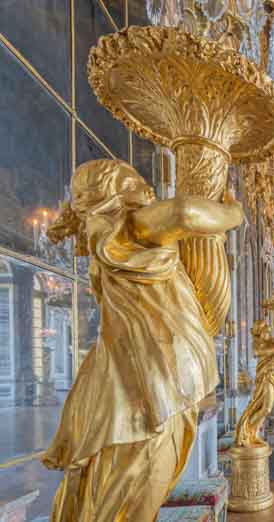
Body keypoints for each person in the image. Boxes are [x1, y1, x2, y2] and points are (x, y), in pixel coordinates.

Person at [41, 159, 243, 521]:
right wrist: (234, 214)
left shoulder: (109, 240)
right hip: (151, 387)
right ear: (118, 190)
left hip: (134, 381)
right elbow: (183, 210)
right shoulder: (131, 227)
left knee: (120, 488)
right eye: (136, 181)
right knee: (136, 489)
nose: (148, 189)